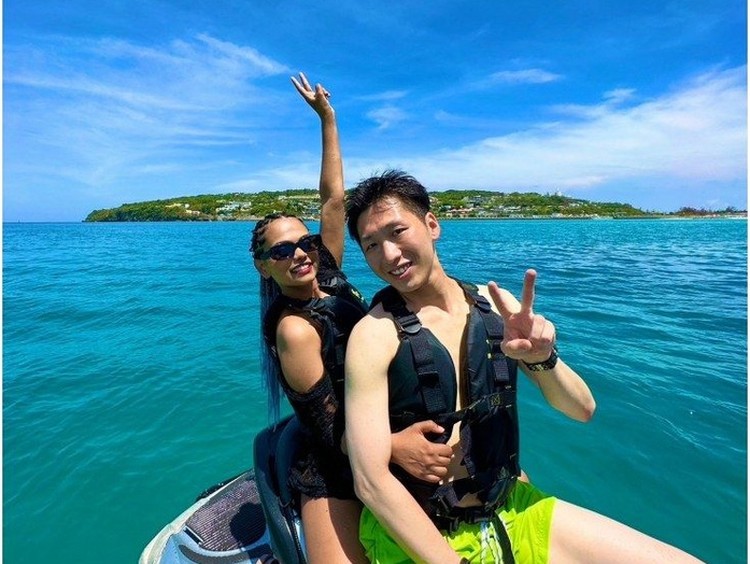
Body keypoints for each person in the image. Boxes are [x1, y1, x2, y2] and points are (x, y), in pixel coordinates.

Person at [343, 170, 702, 563]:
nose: (389, 255)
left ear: (432, 225)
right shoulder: (373, 336)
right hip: (421, 530)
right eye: (371, 245)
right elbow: (371, 482)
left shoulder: (497, 307)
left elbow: (581, 409)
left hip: (512, 507)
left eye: (397, 232)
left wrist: (541, 357)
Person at [251, 79, 452, 563]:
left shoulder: (328, 274)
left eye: (305, 242)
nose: (300, 254)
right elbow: (326, 428)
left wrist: (328, 120)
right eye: (282, 251)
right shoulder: (294, 329)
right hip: (337, 460)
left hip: (383, 421)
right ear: (264, 266)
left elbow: (333, 201)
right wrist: (393, 447)